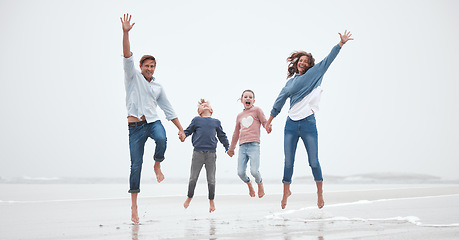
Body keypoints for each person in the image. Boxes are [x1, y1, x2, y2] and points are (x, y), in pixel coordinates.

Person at [266, 30, 354, 209]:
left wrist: (341, 44)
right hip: (290, 124)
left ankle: (320, 193)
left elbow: (329, 58)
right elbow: (279, 101)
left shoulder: (315, 73)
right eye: (300, 61)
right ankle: (286, 192)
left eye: (306, 61)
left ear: (309, 64)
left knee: (313, 160)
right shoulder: (290, 83)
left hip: (308, 124)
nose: (303, 63)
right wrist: (270, 120)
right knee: (288, 161)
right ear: (297, 63)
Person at [120, 13, 186, 224]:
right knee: (135, 165)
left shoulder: (158, 87)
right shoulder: (132, 77)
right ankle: (134, 206)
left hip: (152, 123)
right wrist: (125, 32)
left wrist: (181, 129)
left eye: (152, 66)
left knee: (161, 138)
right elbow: (127, 55)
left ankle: (158, 164)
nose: (149, 69)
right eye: (147, 66)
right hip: (135, 127)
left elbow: (168, 109)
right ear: (141, 67)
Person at [180, 99, 230, 213]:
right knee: (193, 177)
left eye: (206, 104)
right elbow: (187, 131)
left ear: (211, 110)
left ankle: (211, 201)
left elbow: (222, 136)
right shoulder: (196, 120)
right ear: (199, 111)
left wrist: (227, 147)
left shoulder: (216, 122)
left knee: (211, 179)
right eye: (202, 105)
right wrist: (183, 135)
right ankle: (189, 197)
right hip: (198, 152)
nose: (205, 105)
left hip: (211, 154)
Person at [227, 90, 271, 198]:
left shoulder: (257, 110)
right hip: (242, 147)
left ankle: (259, 183)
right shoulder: (239, 116)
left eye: (250, 97)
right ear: (242, 100)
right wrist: (231, 148)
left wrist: (268, 127)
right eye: (245, 97)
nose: (248, 98)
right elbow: (236, 133)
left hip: (254, 145)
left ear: (253, 100)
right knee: (240, 173)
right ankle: (249, 184)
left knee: (254, 171)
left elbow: (265, 122)